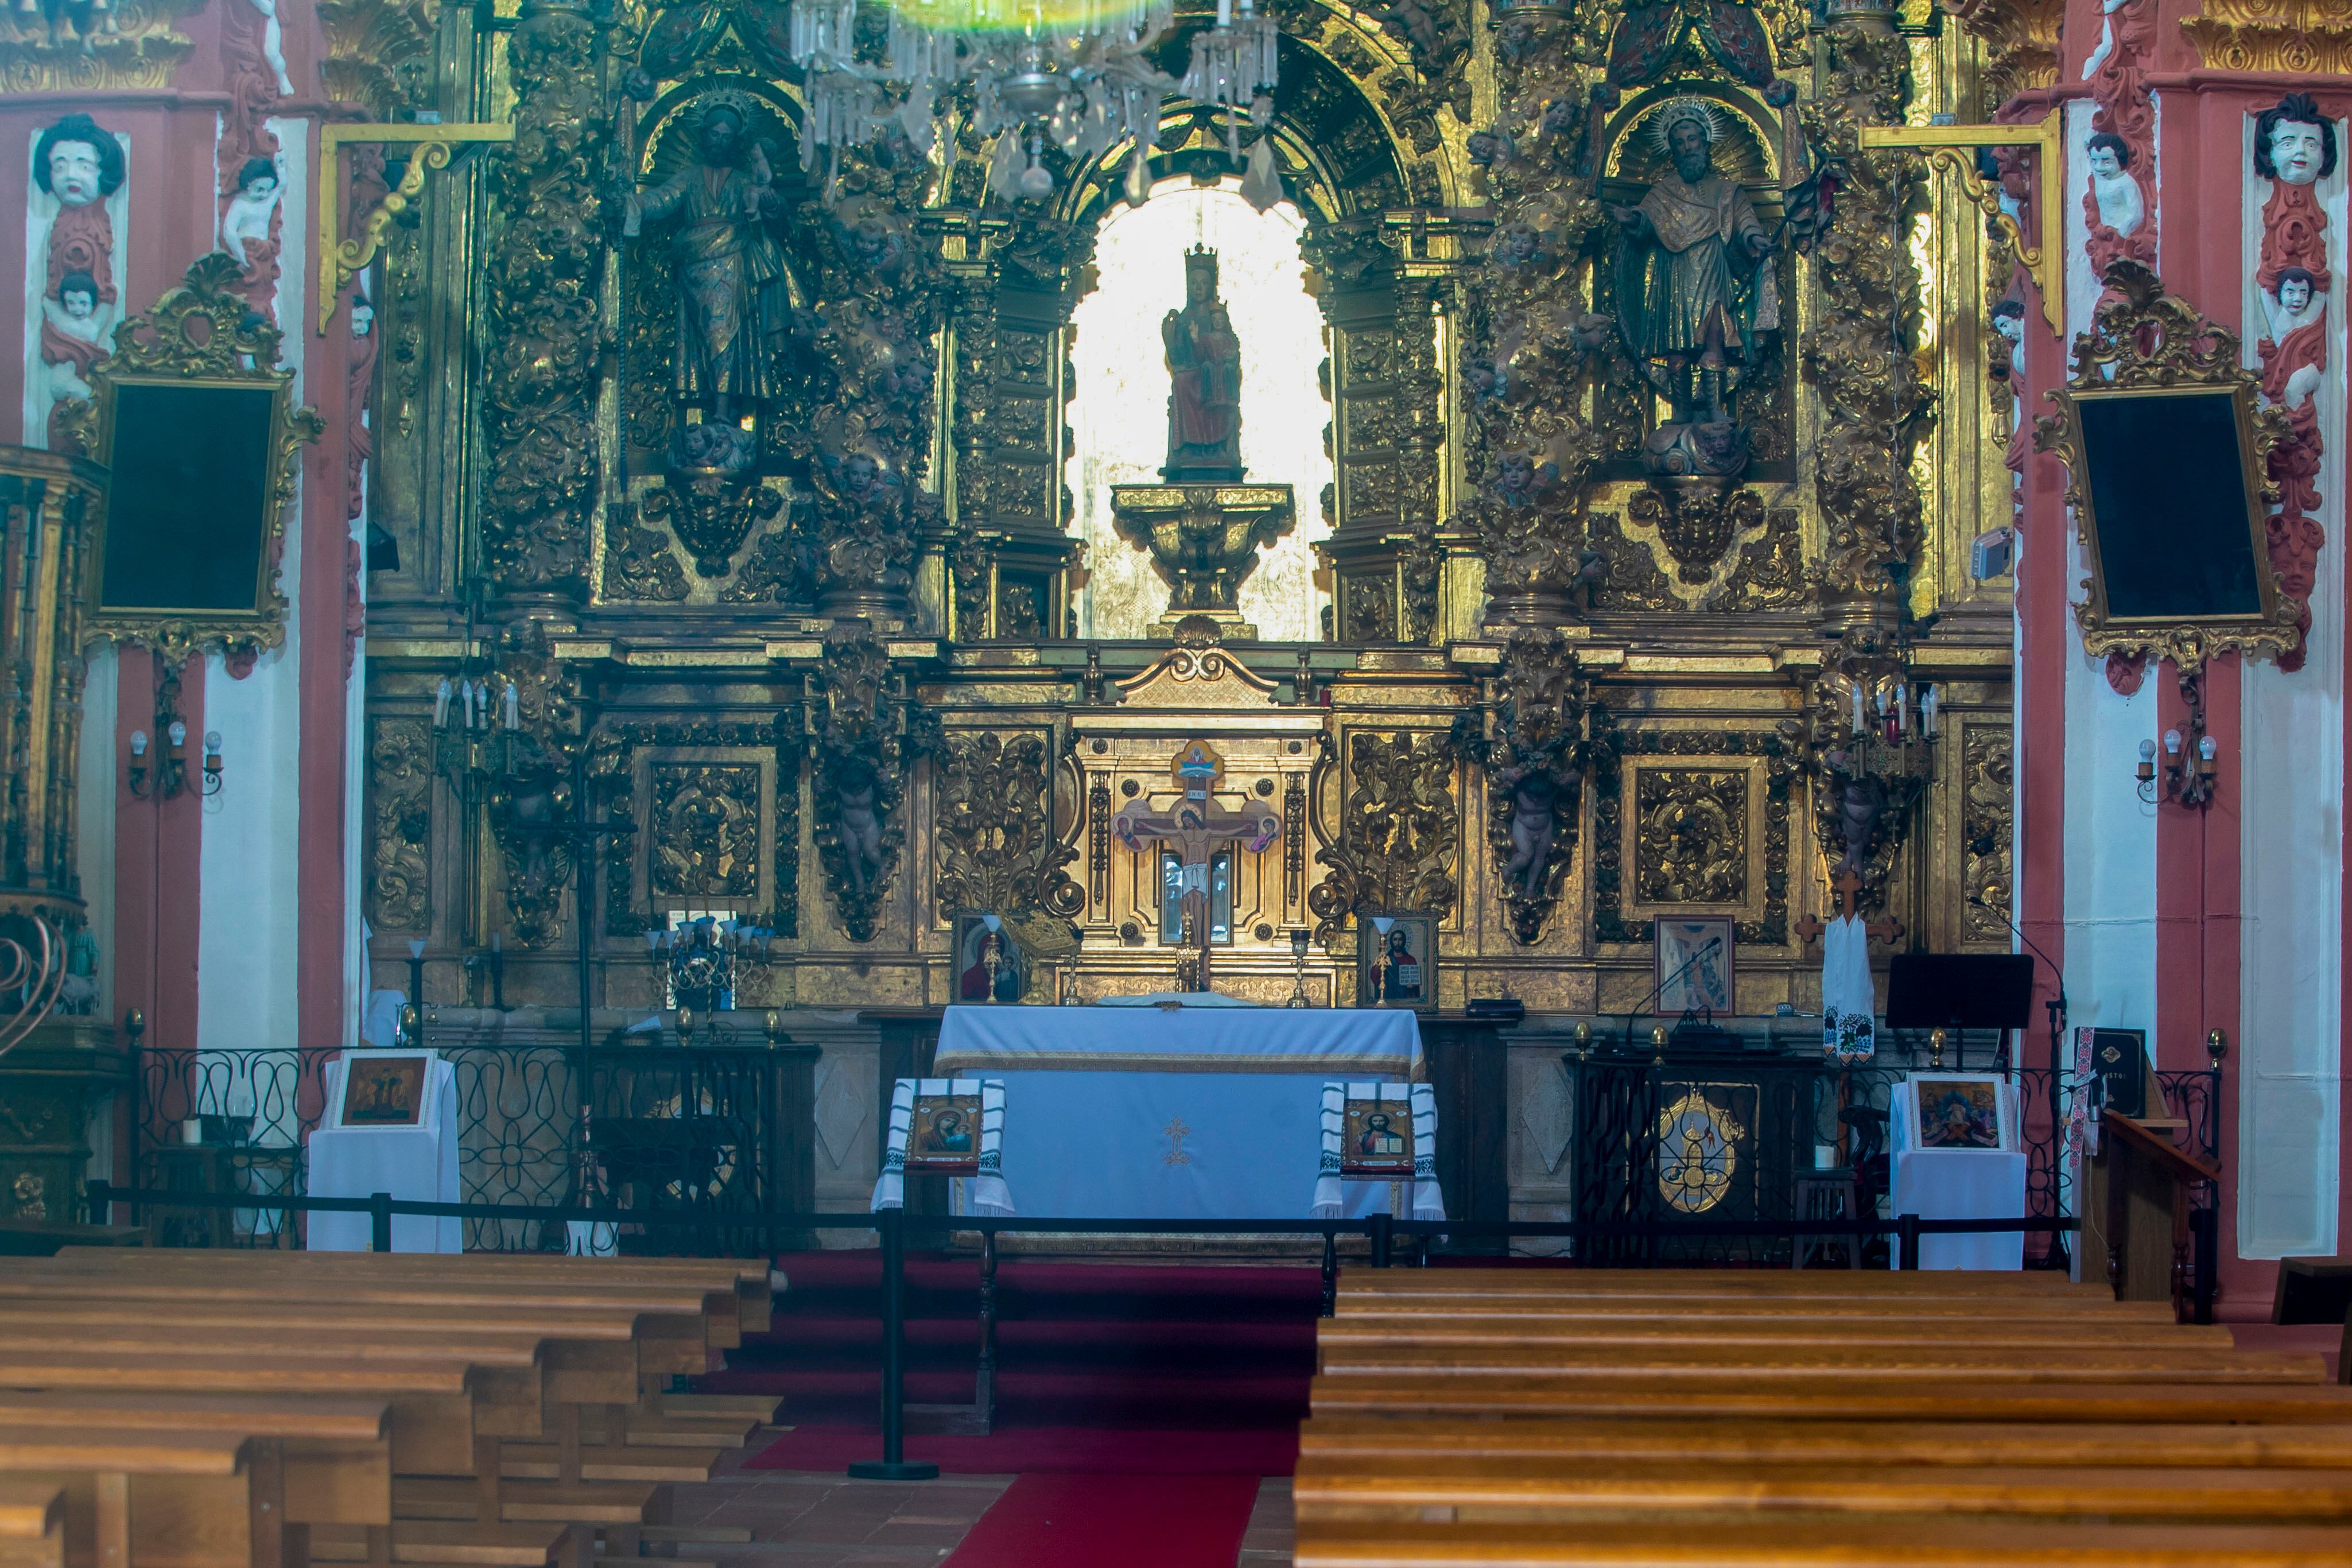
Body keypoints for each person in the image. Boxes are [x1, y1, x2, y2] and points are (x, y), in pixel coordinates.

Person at [623, 95, 791, 425]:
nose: (720, 142)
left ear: (735, 141)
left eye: (726, 137)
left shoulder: (744, 180)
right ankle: (711, 405)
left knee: (726, 334)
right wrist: (633, 203)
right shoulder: (689, 178)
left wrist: (768, 200)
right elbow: (661, 200)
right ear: (705, 136)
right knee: (705, 336)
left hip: (733, 263)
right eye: (714, 134)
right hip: (695, 266)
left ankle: (723, 410)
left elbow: (775, 208)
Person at [1610, 98, 1773, 426]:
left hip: (1712, 268)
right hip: (1675, 273)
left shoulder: (1726, 191)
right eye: (1680, 142)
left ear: (1705, 142)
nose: (1687, 148)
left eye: (1693, 140)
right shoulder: (1663, 192)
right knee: (1676, 345)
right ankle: (1682, 411)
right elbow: (1645, 225)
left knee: (1714, 335)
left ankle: (1715, 409)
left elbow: (1746, 222)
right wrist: (1631, 220)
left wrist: (1755, 239)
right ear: (1673, 149)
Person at [1162, 246, 1243, 480]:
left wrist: (1227, 360)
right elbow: (1177, 358)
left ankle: (1215, 446)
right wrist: (1170, 336)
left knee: (1209, 384)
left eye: (1204, 283)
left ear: (1211, 286)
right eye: (1194, 283)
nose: (1199, 288)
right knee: (1181, 383)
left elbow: (1232, 346)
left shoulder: (1218, 316)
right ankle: (1191, 446)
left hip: (1216, 374)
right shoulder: (1184, 317)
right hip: (1192, 372)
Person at [961, 929, 1020, 1002]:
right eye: (990, 950)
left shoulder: (1003, 974)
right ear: (981, 951)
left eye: (997, 951)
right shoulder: (970, 976)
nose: (993, 954)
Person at [1380, 927, 1422, 1002]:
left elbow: (1416, 980)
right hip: (1390, 996)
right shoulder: (1385, 959)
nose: (1398, 943)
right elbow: (1376, 977)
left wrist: (1413, 985)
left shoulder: (1410, 960)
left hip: (1406, 997)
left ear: (1404, 941)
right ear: (1391, 941)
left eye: (1400, 940)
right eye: (1395, 940)